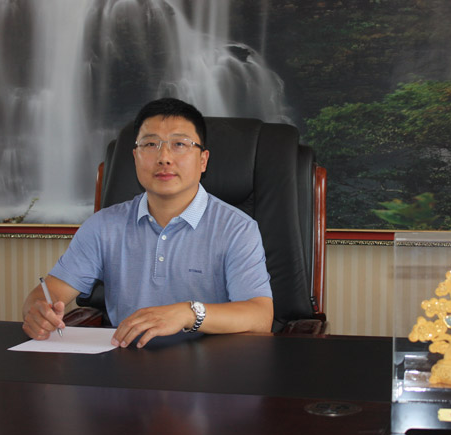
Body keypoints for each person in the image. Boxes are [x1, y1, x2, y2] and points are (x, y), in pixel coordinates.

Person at [22, 98, 273, 348]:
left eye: (179, 144)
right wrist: (37, 310)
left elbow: (260, 316)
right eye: (151, 144)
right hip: (125, 360)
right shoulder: (102, 226)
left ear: (203, 160)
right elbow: (49, 292)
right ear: (135, 156)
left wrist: (187, 313)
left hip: (209, 363)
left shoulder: (237, 229)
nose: (164, 158)